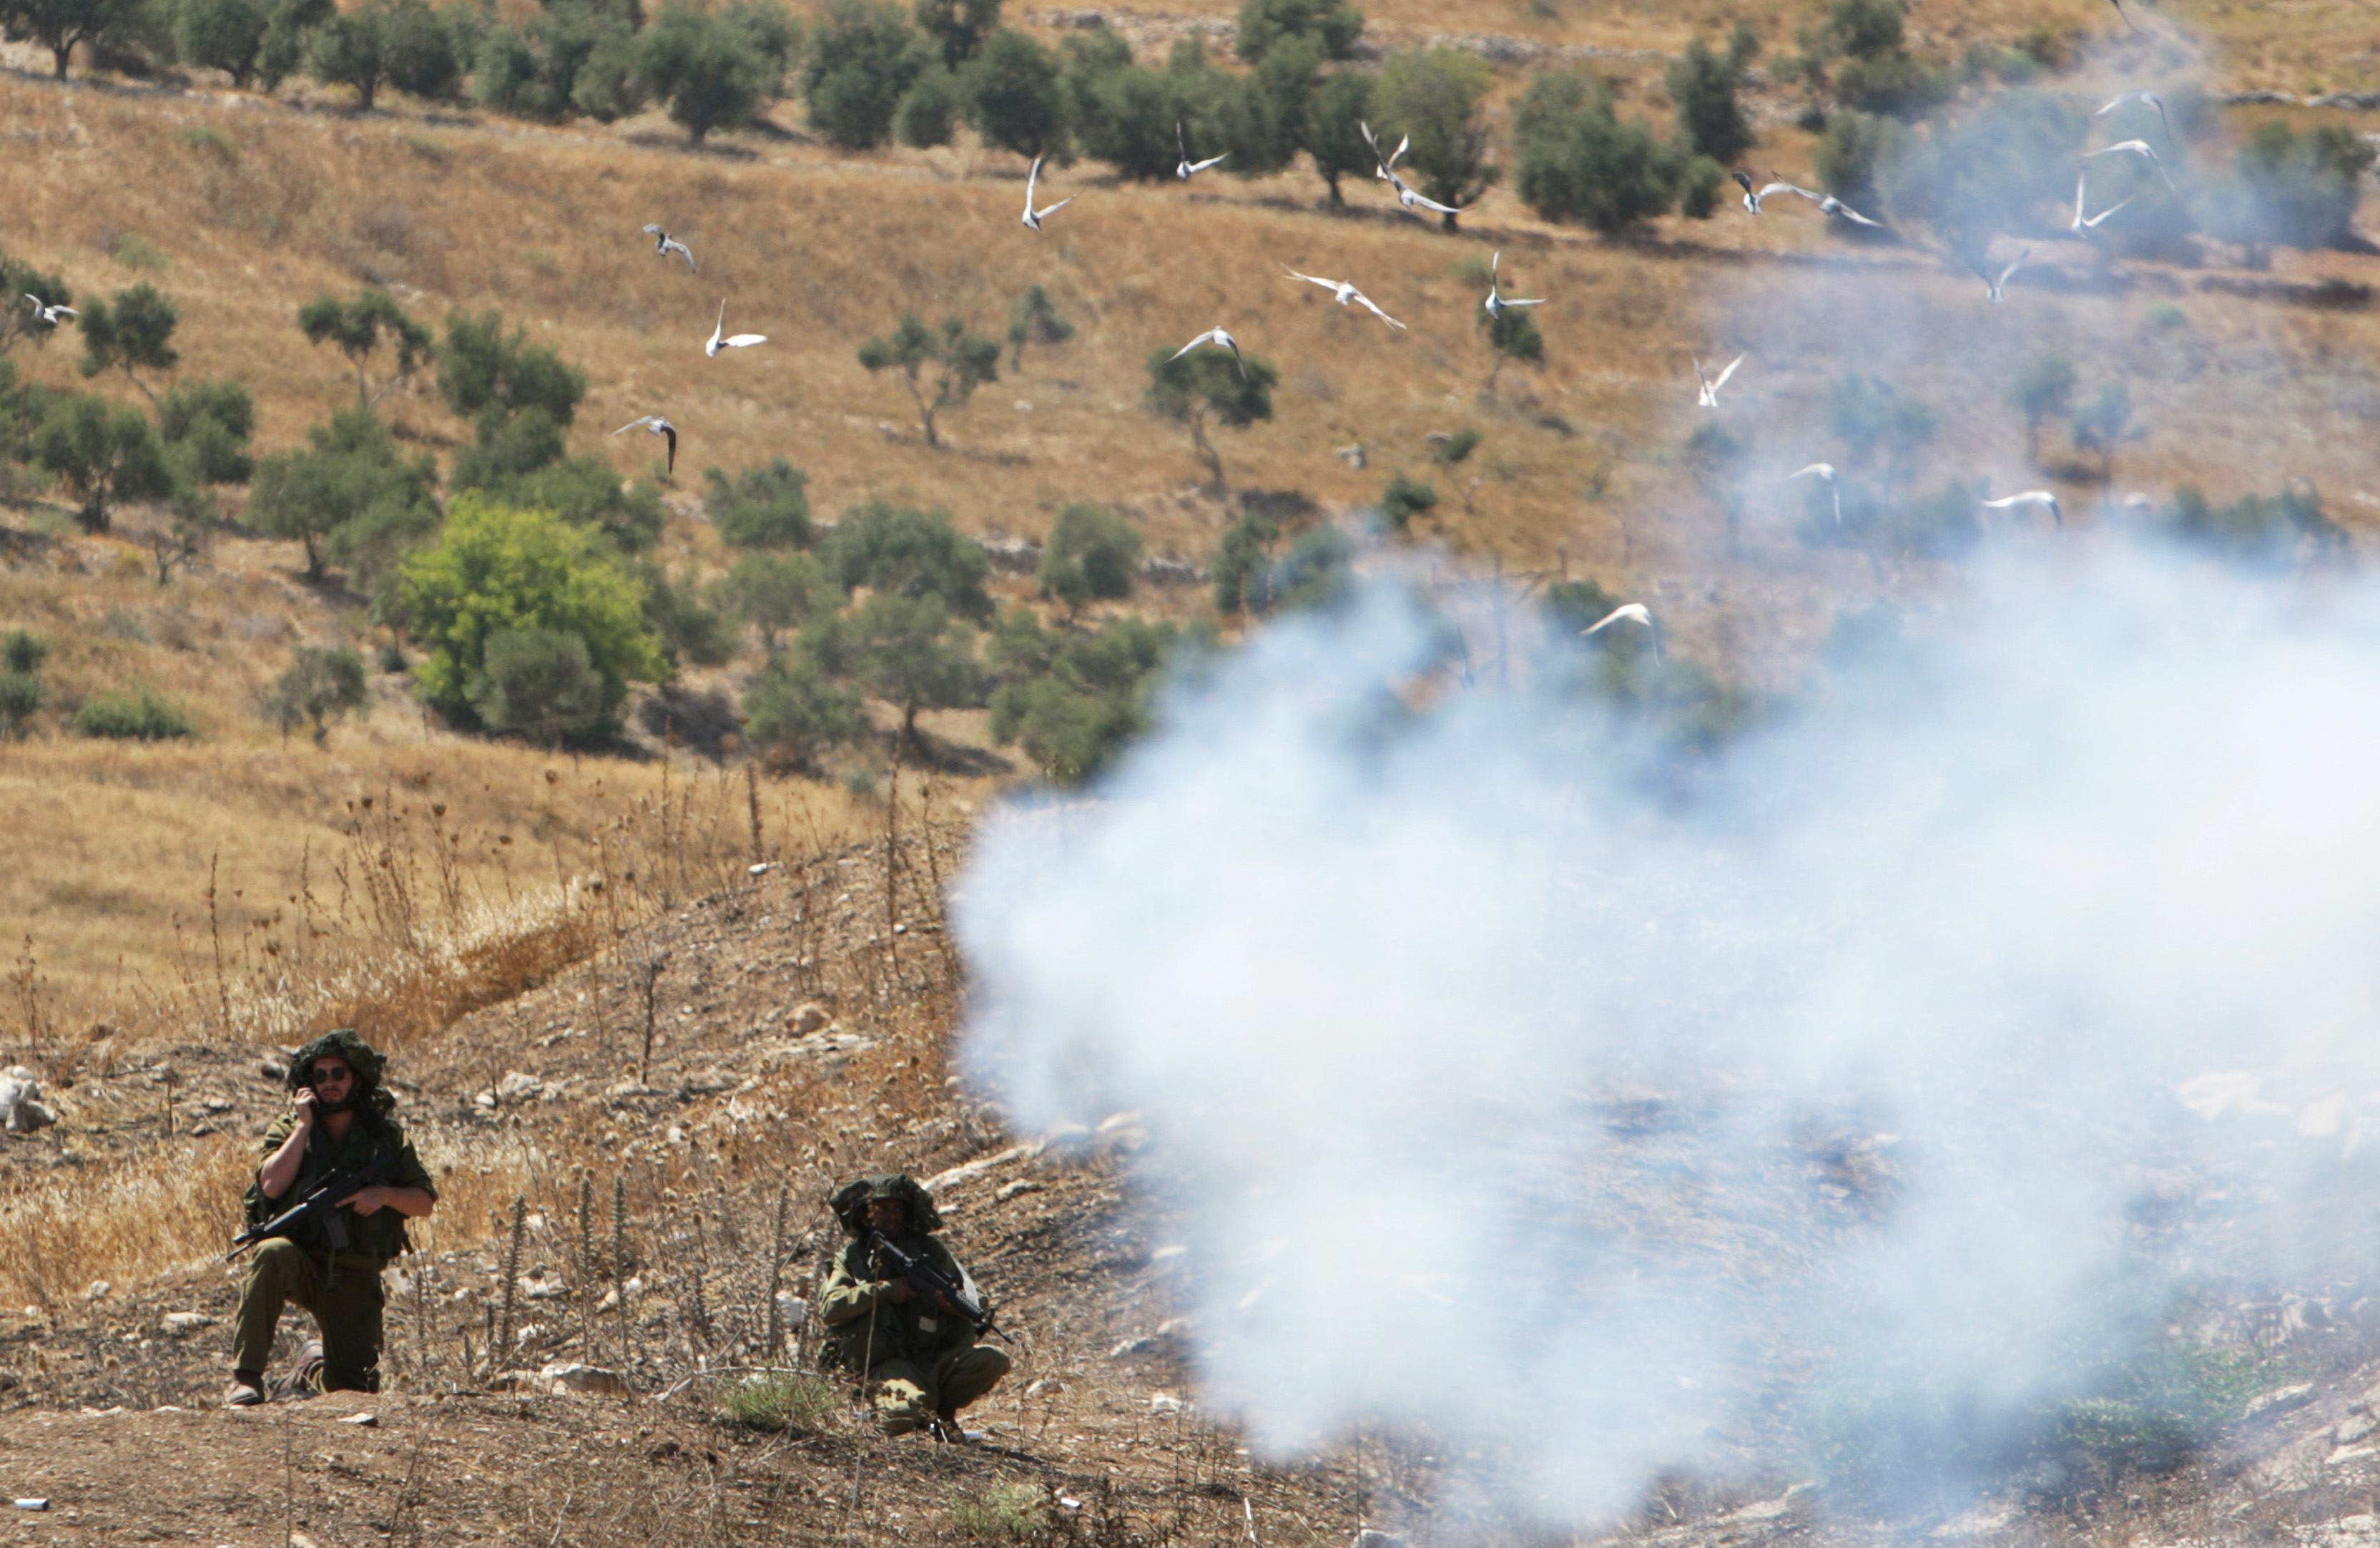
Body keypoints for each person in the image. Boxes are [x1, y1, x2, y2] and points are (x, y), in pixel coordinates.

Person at [225, 1029, 436, 1406]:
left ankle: (311, 1367)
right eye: (319, 1077)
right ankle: (247, 1377)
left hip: (355, 1272)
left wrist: (383, 1195)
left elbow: (424, 1201)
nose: (329, 1084)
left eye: (338, 1074)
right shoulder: (291, 1129)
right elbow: (271, 1185)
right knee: (270, 1252)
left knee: (355, 1391)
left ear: (355, 1078)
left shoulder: (384, 1138)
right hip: (302, 1261)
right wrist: (304, 1127)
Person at [818, 1172, 1010, 1440]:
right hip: (888, 1366)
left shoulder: (929, 1249)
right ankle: (898, 1412)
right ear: (865, 1216)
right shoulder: (852, 1258)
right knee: (903, 1413)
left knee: (993, 1360)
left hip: (934, 1358)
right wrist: (888, 1290)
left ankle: (940, 1413)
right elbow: (831, 1308)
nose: (893, 1215)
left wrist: (951, 1304)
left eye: (898, 1208)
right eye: (883, 1208)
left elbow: (976, 1297)